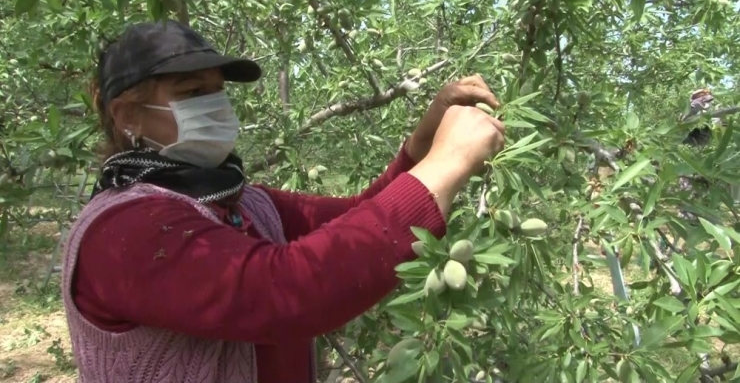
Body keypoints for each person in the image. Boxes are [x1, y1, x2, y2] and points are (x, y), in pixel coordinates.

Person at [61, 19, 506, 383]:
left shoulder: (243, 205)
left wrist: (422, 146)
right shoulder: (122, 231)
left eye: (218, 90)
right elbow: (286, 292)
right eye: (193, 92)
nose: (215, 106)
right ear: (128, 116)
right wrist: (446, 165)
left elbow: (356, 224)